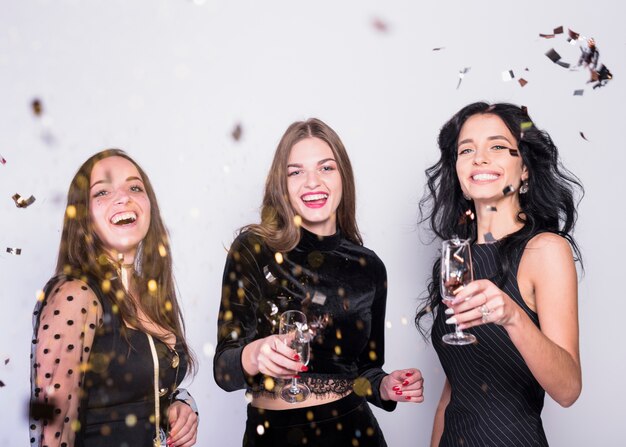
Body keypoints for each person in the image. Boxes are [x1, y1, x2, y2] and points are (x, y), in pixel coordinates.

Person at [214, 118, 424, 446]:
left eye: (326, 168)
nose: (312, 181)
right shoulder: (253, 249)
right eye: (295, 171)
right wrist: (254, 355)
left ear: (343, 177)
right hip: (272, 437)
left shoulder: (369, 267)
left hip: (353, 433)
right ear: (281, 185)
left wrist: (384, 386)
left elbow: (365, 371)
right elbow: (224, 370)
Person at [416, 102, 583, 447]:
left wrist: (513, 316)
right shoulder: (454, 260)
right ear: (458, 171)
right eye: (467, 150)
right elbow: (453, 391)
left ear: (524, 169)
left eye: (497, 146)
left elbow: (568, 390)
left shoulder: (545, 250)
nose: (479, 158)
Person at [29, 149, 198, 447]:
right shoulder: (75, 294)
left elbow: (146, 387)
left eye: (135, 187)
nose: (124, 198)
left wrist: (182, 405)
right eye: (102, 192)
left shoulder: (150, 294)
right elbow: (53, 429)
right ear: (82, 216)